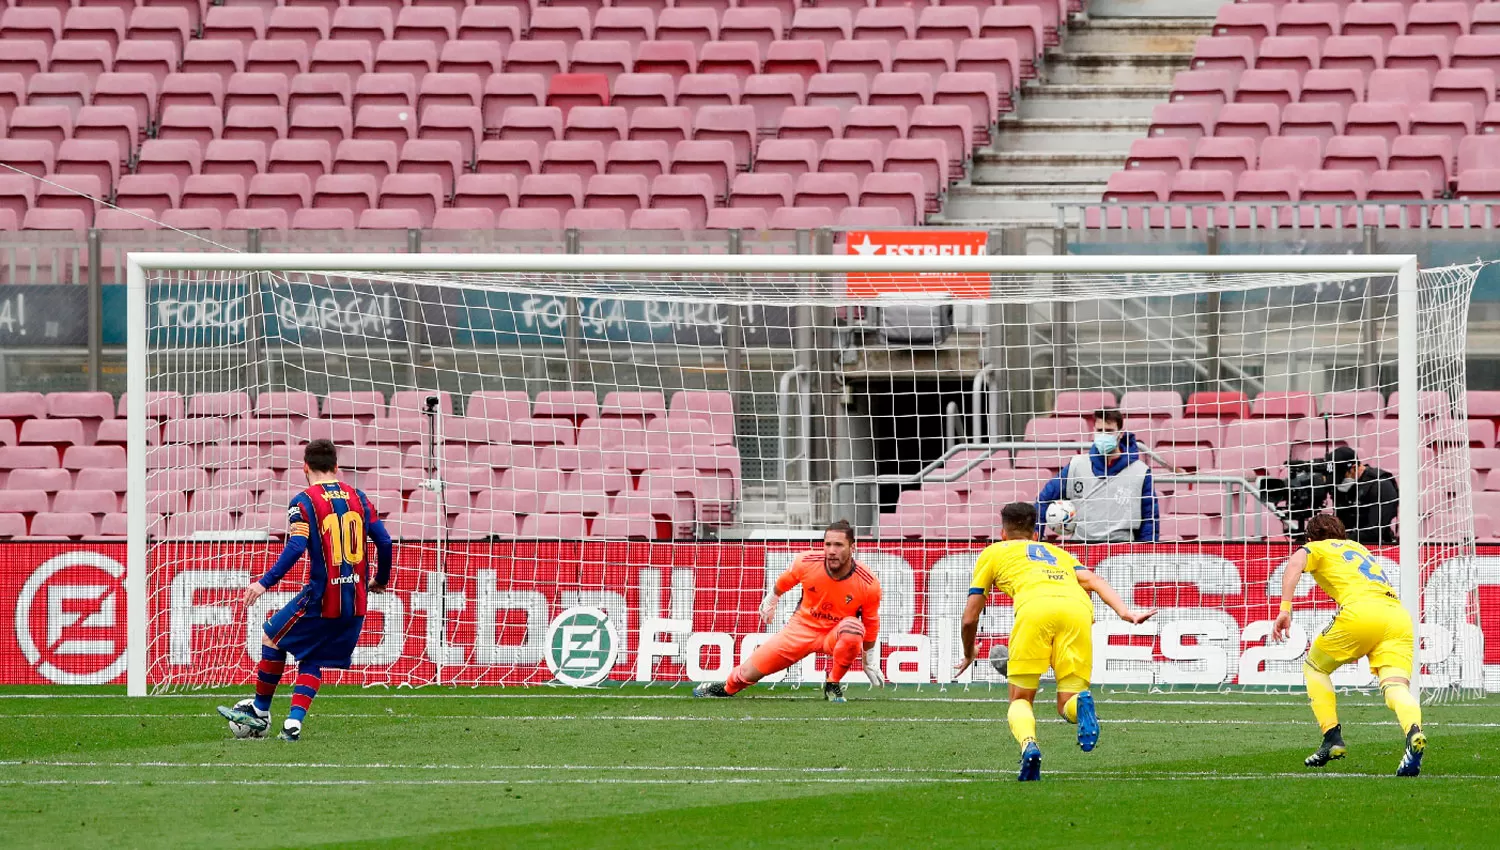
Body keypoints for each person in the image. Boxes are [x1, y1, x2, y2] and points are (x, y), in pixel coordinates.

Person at [957, 502, 1156, 781]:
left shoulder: (993, 553)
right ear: (1036, 534)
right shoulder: (1058, 553)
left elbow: (969, 619)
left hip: (1035, 610)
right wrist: (1125, 612)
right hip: (1078, 610)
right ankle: (1081, 704)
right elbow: (1094, 580)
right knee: (1067, 702)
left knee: (1020, 699)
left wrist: (969, 653)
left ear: (1002, 533)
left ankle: (1029, 746)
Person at [217, 439, 394, 741]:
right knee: (311, 657)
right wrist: (381, 579)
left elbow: (297, 545)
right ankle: (293, 723)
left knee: (271, 636)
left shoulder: (304, 502)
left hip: (321, 597)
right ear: (337, 467)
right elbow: (385, 542)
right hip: (356, 602)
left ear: (305, 468)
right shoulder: (360, 498)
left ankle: (260, 712)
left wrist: (264, 582)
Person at [1271, 514, 1425, 777]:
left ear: (1310, 538)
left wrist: (1285, 608)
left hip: (1361, 613)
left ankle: (1331, 737)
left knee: (1315, 668)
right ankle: (1414, 732)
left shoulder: (1315, 547)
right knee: (1396, 686)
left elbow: (1295, 564)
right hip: (1397, 617)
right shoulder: (1358, 547)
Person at [694, 520, 883, 703]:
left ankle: (832, 683)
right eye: (828, 544)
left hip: (835, 634)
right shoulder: (807, 562)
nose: (832, 551)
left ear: (852, 548)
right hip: (801, 630)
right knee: (746, 674)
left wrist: (869, 659)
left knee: (853, 629)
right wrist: (771, 599)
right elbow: (786, 579)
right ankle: (727, 688)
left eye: (839, 545)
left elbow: (871, 622)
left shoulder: (868, 583)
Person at [1036, 407, 1159, 543]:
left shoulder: (1140, 472)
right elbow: (1043, 499)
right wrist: (1035, 535)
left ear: (1121, 434)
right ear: (1094, 431)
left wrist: (1148, 552)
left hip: (1122, 549)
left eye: (1109, 431)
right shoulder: (1076, 465)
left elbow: (1150, 519)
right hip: (1081, 546)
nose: (1104, 435)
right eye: (1100, 431)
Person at [1326, 446, 1399, 545]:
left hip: (1376, 548)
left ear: (1354, 468)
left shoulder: (1380, 485)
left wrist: (1340, 541)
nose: (1338, 483)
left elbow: (1375, 531)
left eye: (1341, 477)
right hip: (1346, 545)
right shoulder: (1341, 488)